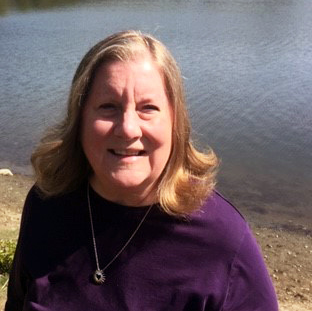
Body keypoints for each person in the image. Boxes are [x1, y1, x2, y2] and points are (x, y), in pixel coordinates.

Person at [5, 30, 278, 310]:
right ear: (80, 120)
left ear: (175, 122)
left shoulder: (223, 239)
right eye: (108, 106)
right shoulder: (46, 205)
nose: (128, 129)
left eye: (147, 108)